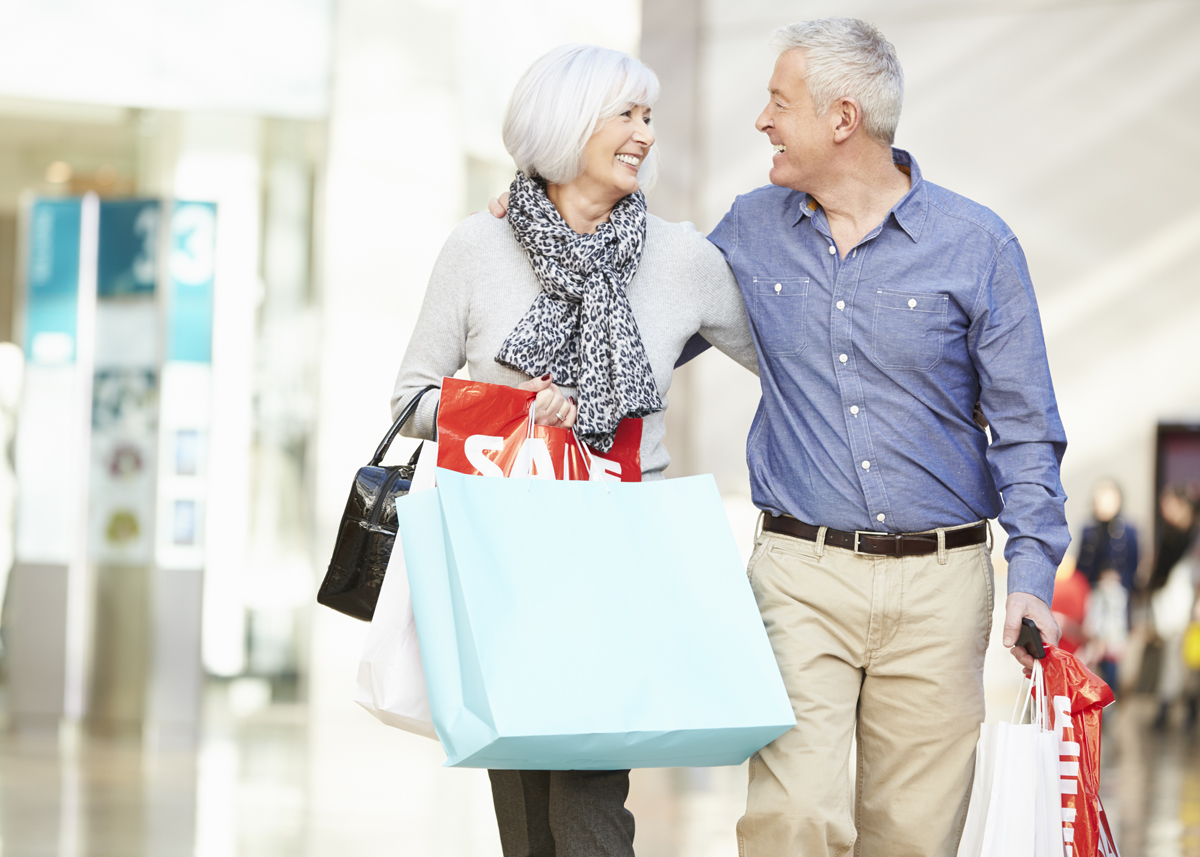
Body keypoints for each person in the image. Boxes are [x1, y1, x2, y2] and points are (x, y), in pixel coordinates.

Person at [705, 18, 1068, 856]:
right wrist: (554, 212)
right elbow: (653, 305)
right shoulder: (751, 229)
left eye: (778, 101)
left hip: (941, 589)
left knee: (912, 837)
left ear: (842, 118)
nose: (762, 119)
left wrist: (1034, 570)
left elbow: (1025, 426)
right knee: (792, 819)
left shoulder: (977, 246)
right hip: (799, 574)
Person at [390, 44, 757, 857]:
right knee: (525, 826)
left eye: (649, 116)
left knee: (589, 815)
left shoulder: (682, 260)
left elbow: (789, 360)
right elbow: (410, 397)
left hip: (615, 564)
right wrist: (515, 411)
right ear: (564, 125)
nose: (644, 134)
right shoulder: (476, 249)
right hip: (503, 569)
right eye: (625, 114)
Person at [1076, 477, 1140, 591]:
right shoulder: (1089, 532)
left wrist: (1118, 579)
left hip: (1120, 595)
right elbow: (1081, 569)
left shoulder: (1128, 532)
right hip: (1091, 592)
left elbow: (1133, 569)